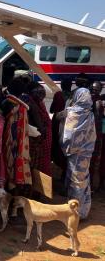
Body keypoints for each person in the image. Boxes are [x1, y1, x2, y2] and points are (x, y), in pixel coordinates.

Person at [60, 88, 96, 219]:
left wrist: (65, 150)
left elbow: (68, 137)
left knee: (75, 182)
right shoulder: (90, 114)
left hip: (75, 154)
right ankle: (83, 210)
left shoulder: (73, 114)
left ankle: (75, 213)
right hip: (86, 153)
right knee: (84, 180)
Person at [27, 83, 52, 177]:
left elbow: (41, 125)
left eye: (42, 94)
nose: (41, 97)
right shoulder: (36, 103)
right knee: (42, 161)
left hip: (41, 137)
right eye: (39, 94)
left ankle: (41, 184)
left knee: (40, 162)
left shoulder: (36, 104)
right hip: (43, 136)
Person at [50, 78, 72, 182]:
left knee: (55, 143)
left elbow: (51, 109)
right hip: (67, 124)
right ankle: (64, 170)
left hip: (56, 123)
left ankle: (56, 163)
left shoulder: (58, 95)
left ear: (62, 86)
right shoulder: (73, 96)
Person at [90, 81, 103, 189]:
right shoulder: (93, 100)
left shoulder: (98, 102)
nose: (93, 92)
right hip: (92, 135)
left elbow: (97, 121)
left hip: (95, 136)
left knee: (93, 161)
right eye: (92, 89)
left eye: (96, 90)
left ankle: (91, 185)